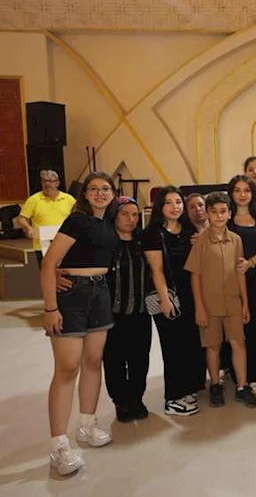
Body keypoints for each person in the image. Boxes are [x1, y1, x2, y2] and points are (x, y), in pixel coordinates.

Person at [40, 172, 118, 476]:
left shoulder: (107, 224)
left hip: (100, 293)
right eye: (94, 189)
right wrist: (50, 308)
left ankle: (86, 424)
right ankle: (59, 445)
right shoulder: (76, 221)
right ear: (84, 194)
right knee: (67, 368)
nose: (100, 193)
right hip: (72, 295)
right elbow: (49, 263)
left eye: (106, 189)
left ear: (113, 194)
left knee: (93, 361)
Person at [185, 192, 256, 408]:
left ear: (229, 213)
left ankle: (242, 386)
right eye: (214, 211)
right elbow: (195, 275)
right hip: (210, 304)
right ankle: (215, 385)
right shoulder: (200, 241)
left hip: (233, 302)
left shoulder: (236, 240)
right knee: (213, 346)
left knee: (238, 343)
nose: (219, 216)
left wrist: (245, 302)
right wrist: (199, 307)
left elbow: (240, 272)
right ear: (208, 214)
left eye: (223, 211)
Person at [143, 186, 205, 416]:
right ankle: (172, 399)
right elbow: (156, 270)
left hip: (189, 294)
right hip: (167, 297)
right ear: (160, 206)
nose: (174, 207)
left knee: (189, 343)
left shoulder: (188, 230)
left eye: (178, 202)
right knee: (172, 347)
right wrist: (164, 300)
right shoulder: (153, 233)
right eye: (168, 202)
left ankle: (187, 388)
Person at [102, 197, 151, 422]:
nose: (131, 219)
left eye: (135, 215)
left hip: (140, 312)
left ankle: (136, 398)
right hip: (112, 313)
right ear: (114, 216)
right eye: (125, 214)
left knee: (140, 358)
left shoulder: (142, 241)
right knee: (114, 359)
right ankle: (120, 401)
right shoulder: (106, 242)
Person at [227, 176, 256, 390]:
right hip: (229, 278)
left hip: (255, 277)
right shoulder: (226, 215)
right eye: (237, 190)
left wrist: (250, 263)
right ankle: (235, 371)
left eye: (246, 190)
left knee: (253, 325)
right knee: (233, 326)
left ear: (253, 193)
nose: (242, 194)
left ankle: (255, 373)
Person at [16, 170, 76, 265]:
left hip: (64, 243)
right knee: (46, 271)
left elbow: (77, 218)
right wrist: (28, 228)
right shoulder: (33, 200)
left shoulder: (69, 199)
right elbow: (21, 218)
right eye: (44, 181)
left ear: (57, 183)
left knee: (65, 271)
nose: (47, 184)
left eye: (51, 181)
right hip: (42, 244)